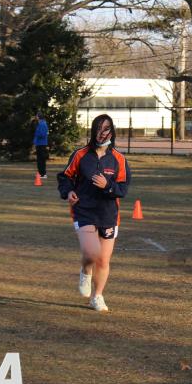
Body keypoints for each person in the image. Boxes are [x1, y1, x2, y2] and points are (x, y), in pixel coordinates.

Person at [57, 114, 131, 312]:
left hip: (108, 214)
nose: (101, 133)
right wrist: (68, 192)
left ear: (112, 131)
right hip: (84, 210)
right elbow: (65, 177)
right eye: (98, 128)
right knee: (91, 253)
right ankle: (85, 270)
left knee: (104, 260)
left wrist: (108, 186)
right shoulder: (80, 155)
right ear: (93, 131)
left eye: (106, 128)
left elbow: (123, 189)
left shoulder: (118, 159)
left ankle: (97, 296)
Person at [33, 113, 49, 178]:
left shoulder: (42, 124)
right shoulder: (41, 123)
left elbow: (42, 134)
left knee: (41, 159)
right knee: (40, 159)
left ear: (38, 117)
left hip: (41, 143)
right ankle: (41, 173)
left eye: (36, 116)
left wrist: (37, 136)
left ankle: (43, 174)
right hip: (40, 143)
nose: (36, 117)